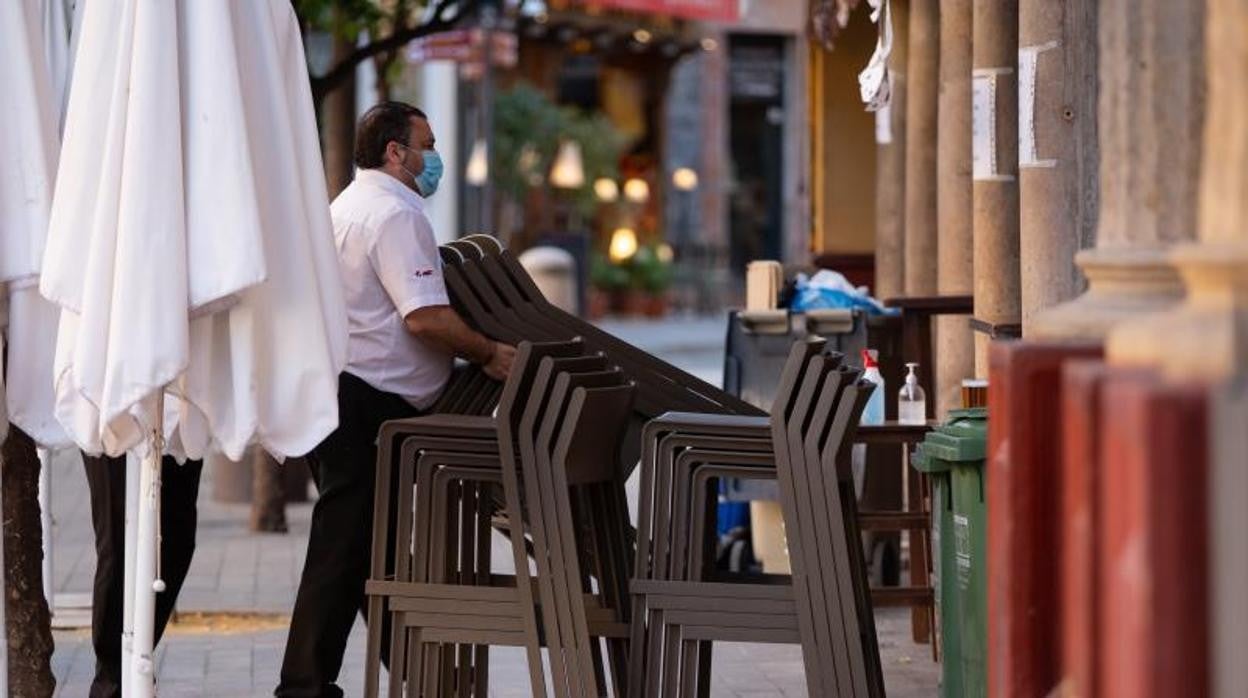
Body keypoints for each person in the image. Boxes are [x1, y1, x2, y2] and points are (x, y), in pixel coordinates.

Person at [277, 101, 516, 697]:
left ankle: (415, 677)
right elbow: (427, 319)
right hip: (367, 403)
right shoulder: (393, 215)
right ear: (395, 152)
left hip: (343, 392)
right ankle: (302, 687)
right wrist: (487, 351)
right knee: (344, 548)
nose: (434, 157)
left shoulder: (348, 205)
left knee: (364, 552)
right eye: (427, 144)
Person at [82, 454, 203, 698]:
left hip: (174, 420)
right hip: (113, 421)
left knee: (178, 538)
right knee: (117, 544)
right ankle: (112, 681)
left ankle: (133, 659)